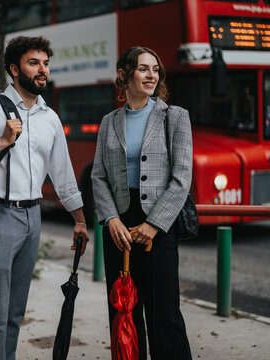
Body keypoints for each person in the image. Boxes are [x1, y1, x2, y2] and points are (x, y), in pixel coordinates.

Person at [0, 36, 89, 360]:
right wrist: (1, 141)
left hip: (32, 217)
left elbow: (63, 174)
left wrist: (80, 220)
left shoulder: (50, 118)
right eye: (34, 63)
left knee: (16, 312)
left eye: (45, 63)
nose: (42, 70)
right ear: (14, 69)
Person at [91, 46, 193, 359]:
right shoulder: (109, 122)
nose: (151, 76)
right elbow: (98, 177)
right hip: (119, 227)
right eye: (143, 69)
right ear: (124, 75)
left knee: (165, 315)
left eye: (155, 70)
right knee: (124, 312)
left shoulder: (174, 117)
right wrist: (111, 219)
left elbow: (181, 177)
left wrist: (153, 225)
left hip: (159, 225)